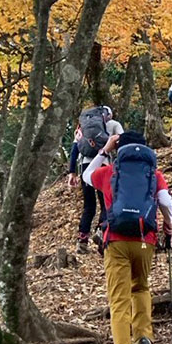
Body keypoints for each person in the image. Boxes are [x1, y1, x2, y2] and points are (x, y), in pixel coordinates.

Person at [83, 131, 172, 344]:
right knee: (141, 287)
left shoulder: (110, 172)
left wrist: (104, 150)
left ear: (119, 148)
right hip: (146, 240)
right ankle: (143, 336)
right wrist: (169, 226)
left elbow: (86, 176)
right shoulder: (153, 175)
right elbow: (165, 201)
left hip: (117, 242)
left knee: (119, 302)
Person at [67, 106, 123, 252]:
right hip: (103, 166)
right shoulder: (114, 124)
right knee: (105, 202)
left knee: (89, 205)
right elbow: (123, 144)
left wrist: (71, 173)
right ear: (109, 115)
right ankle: (101, 231)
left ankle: (82, 240)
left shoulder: (83, 128)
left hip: (85, 167)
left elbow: (74, 150)